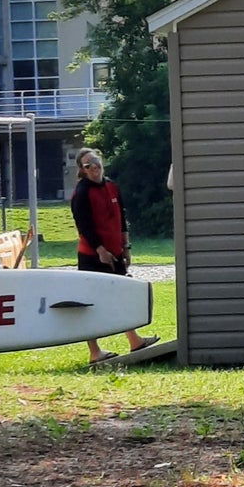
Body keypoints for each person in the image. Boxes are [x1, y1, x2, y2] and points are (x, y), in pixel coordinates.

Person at [70, 148, 158, 365]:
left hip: (116, 252)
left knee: (121, 296)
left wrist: (125, 246)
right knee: (91, 304)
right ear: (82, 170)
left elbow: (121, 218)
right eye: (88, 165)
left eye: (96, 161)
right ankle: (94, 351)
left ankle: (134, 340)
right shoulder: (81, 193)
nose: (94, 167)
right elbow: (84, 227)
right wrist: (100, 250)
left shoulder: (112, 187)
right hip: (92, 255)